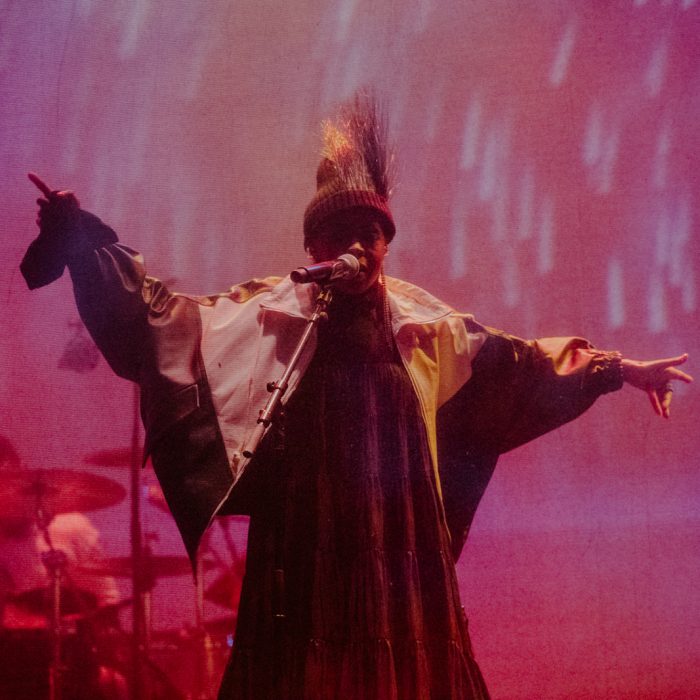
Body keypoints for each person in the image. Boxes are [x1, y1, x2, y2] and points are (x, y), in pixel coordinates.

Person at [21, 96, 691, 700]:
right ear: (314, 245)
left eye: (370, 236)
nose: (358, 248)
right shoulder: (271, 316)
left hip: (401, 554)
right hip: (305, 550)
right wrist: (83, 241)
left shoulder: (427, 329)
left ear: (386, 246)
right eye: (341, 236)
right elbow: (163, 321)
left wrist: (620, 370)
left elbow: (522, 365)